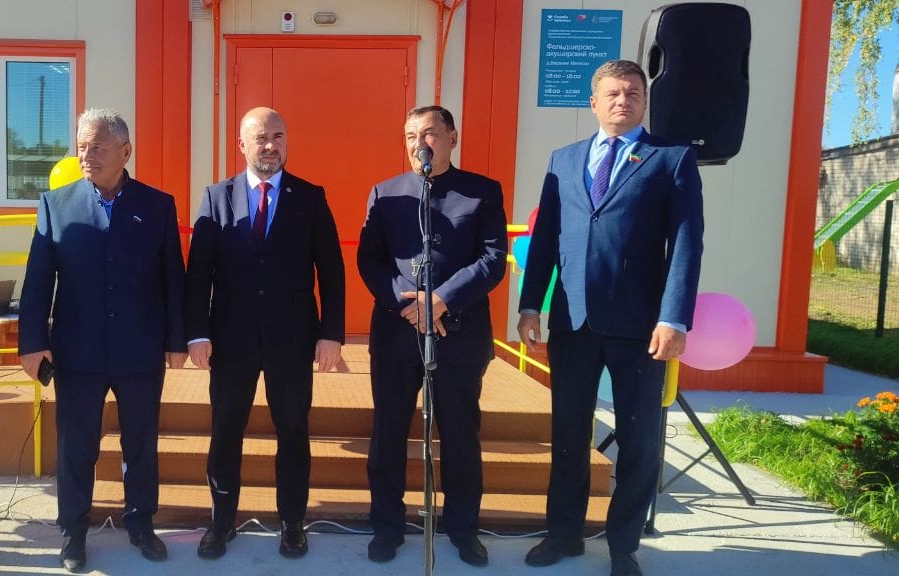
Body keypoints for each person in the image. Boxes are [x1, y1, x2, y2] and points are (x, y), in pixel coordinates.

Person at [517, 59, 704, 576]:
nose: (624, 101)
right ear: (594, 102)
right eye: (614, 94)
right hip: (573, 324)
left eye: (633, 93)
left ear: (644, 101)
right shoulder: (563, 159)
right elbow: (546, 239)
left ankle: (624, 546)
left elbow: (686, 243)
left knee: (639, 442)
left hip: (641, 329)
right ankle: (563, 536)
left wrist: (674, 318)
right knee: (568, 437)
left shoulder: (671, 159)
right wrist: (530, 305)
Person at [17, 108, 187, 573]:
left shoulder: (158, 206)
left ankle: (141, 523)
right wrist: (32, 341)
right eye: (81, 146)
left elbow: (173, 278)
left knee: (140, 444)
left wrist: (176, 340)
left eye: (97, 147)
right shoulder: (56, 204)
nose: (86, 155)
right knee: (76, 446)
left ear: (125, 151)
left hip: (140, 349)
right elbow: (38, 280)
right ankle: (73, 531)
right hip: (77, 351)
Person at [185, 107, 346, 560]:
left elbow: (331, 271)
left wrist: (331, 334)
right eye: (261, 137)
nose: (270, 145)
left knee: (293, 431)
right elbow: (199, 274)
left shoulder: (310, 197)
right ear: (242, 145)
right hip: (230, 341)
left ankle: (292, 523)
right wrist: (196, 333)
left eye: (278, 136)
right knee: (225, 431)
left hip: (292, 341)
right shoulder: (216, 197)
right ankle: (221, 522)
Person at [357, 105, 507, 566]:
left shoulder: (482, 192)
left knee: (460, 434)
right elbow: (370, 260)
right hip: (397, 331)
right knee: (388, 431)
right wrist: (408, 303)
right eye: (409, 135)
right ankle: (387, 526)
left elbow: (492, 259)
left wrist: (441, 300)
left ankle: (463, 529)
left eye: (428, 134)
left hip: (460, 333)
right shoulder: (385, 193)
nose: (418, 143)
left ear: (451, 138)